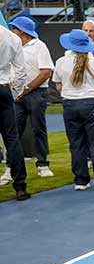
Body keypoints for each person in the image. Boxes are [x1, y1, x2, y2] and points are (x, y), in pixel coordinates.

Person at [53, 29, 94, 191]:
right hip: (91, 103)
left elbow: (58, 86)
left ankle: (81, 180)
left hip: (70, 104)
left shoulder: (60, 62)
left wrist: (71, 95)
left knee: (76, 144)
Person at [9, 16, 55, 178]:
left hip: (37, 93)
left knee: (38, 129)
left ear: (22, 31)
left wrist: (27, 89)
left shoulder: (39, 46)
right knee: (14, 131)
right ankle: (11, 166)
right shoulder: (12, 46)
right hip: (17, 94)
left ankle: (42, 164)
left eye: (14, 28)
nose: (12, 31)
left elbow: (46, 72)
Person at [0, 23, 30, 201]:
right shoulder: (11, 37)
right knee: (12, 138)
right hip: (3, 88)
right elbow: (20, 70)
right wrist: (15, 93)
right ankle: (20, 187)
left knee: (12, 138)